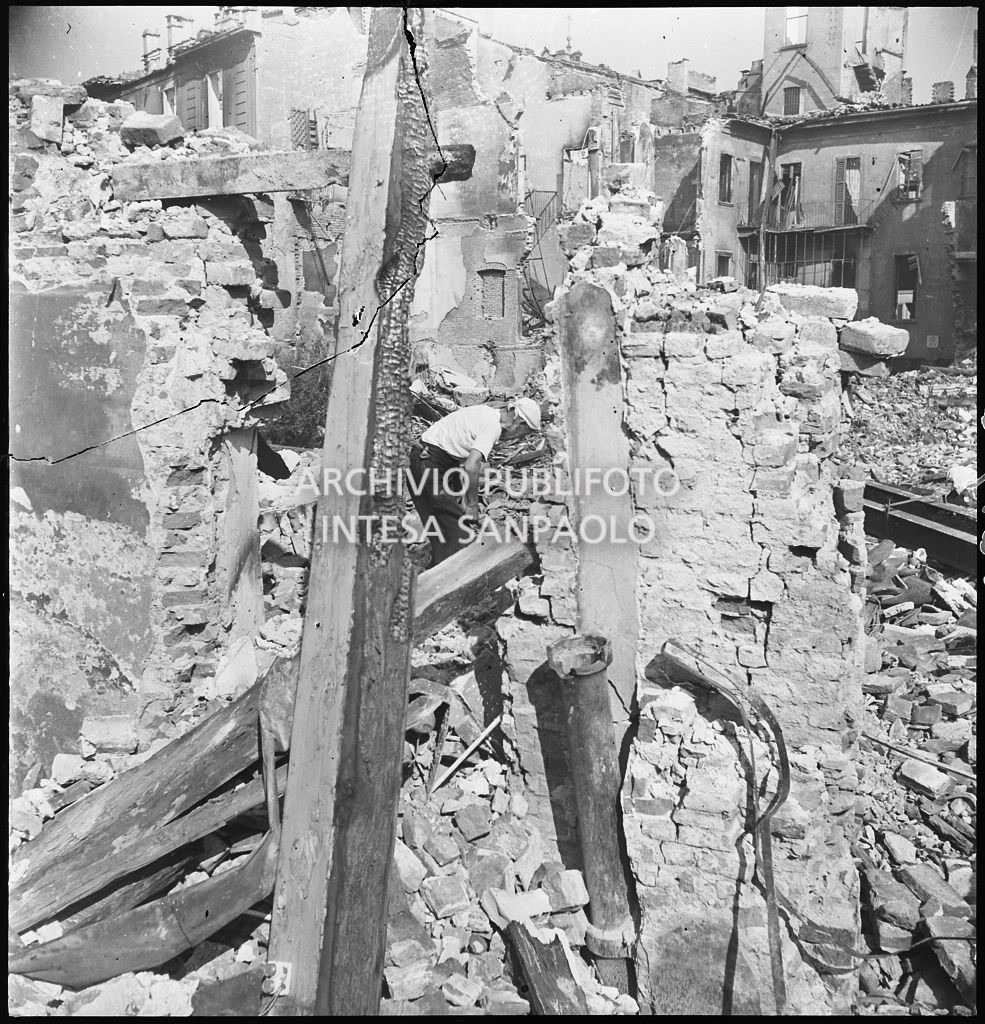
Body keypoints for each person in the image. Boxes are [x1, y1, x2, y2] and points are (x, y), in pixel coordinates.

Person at [408, 397, 541, 565]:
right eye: (525, 432)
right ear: (518, 420)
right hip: (428, 463)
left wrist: (465, 499)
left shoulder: (488, 413)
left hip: (438, 460)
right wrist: (472, 504)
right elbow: (472, 466)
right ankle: (453, 577)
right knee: (456, 534)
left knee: (448, 525)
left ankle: (441, 565)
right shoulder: (492, 426)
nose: (520, 437)